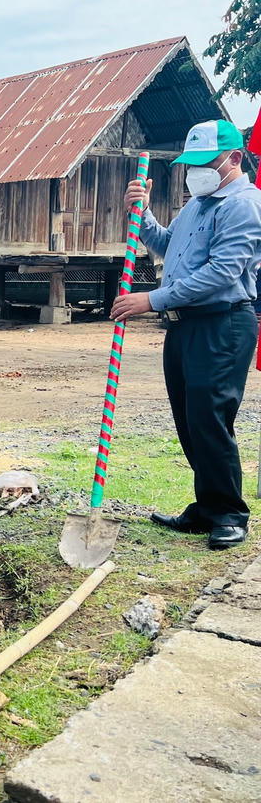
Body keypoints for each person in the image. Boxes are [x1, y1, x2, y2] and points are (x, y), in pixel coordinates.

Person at [110, 119, 261, 550]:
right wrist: (141, 211)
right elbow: (163, 244)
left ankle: (230, 512)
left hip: (222, 323)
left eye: (206, 162)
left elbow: (221, 273)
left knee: (211, 418)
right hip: (184, 326)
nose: (196, 171)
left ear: (234, 159)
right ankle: (207, 507)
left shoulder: (244, 205)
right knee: (189, 419)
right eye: (191, 164)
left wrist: (150, 300)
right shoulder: (198, 204)